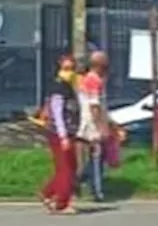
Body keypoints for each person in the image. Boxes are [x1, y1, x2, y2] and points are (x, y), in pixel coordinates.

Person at [40, 55, 80, 215]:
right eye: (66, 69)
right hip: (59, 133)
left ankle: (47, 193)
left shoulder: (69, 86)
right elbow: (57, 113)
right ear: (59, 69)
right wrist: (63, 136)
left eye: (72, 69)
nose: (69, 72)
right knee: (66, 169)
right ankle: (61, 203)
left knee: (70, 166)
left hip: (68, 132)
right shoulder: (58, 88)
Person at [76, 51, 111, 202]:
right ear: (100, 65)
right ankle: (96, 190)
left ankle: (82, 180)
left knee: (97, 155)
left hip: (91, 120)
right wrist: (101, 126)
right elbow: (94, 106)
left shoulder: (91, 79)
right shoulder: (93, 80)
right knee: (97, 154)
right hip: (91, 122)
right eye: (105, 63)